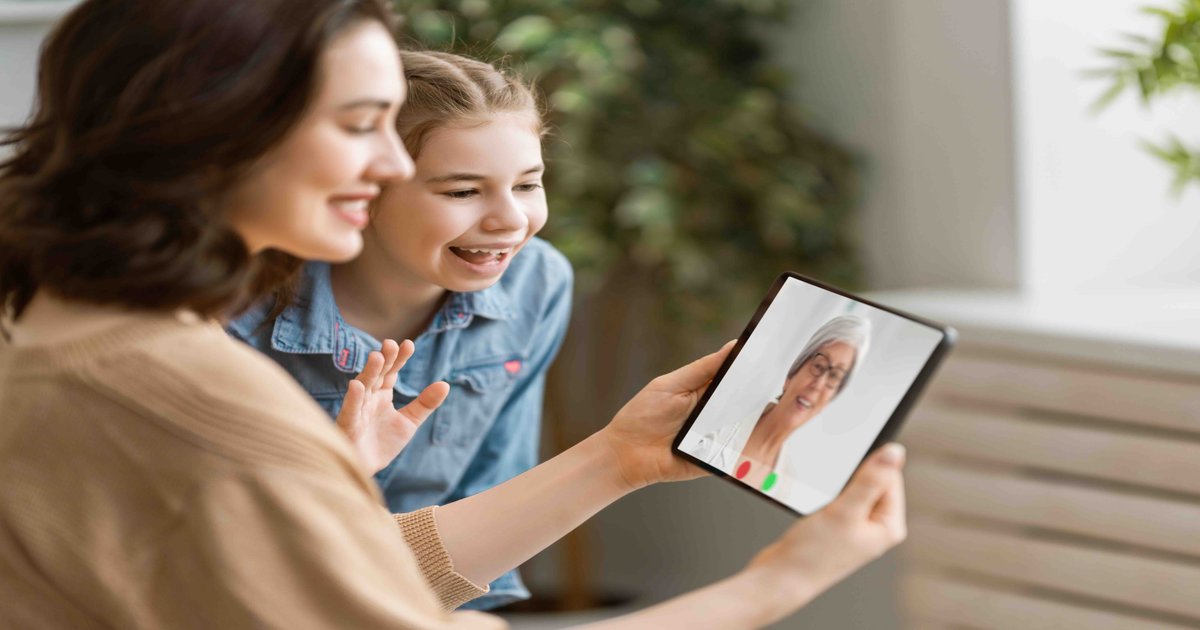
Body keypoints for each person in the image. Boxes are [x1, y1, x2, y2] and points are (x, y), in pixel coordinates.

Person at [0, 1, 908, 628]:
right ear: (224, 129)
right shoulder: (193, 389)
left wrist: (617, 458)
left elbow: (329, 585)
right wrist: (778, 585)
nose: (392, 165)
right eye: (360, 124)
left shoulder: (71, 322)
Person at [228, 50, 571, 609]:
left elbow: (495, 494)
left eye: (528, 184)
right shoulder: (235, 310)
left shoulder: (538, 282)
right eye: (462, 191)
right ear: (363, 190)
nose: (511, 219)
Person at [691, 315, 872, 493]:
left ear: (831, 399)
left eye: (834, 376)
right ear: (792, 374)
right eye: (818, 366)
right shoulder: (715, 426)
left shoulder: (784, 484)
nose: (818, 385)